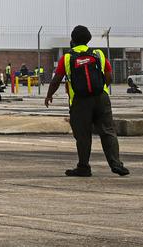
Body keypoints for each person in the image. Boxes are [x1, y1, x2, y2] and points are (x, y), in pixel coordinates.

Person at [44, 25, 129, 178]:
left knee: (83, 135)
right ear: (88, 39)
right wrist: (101, 88)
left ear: (73, 40)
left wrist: (49, 95)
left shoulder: (67, 58)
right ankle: (116, 164)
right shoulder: (99, 55)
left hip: (80, 101)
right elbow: (109, 75)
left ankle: (84, 167)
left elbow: (57, 79)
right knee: (108, 131)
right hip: (101, 98)